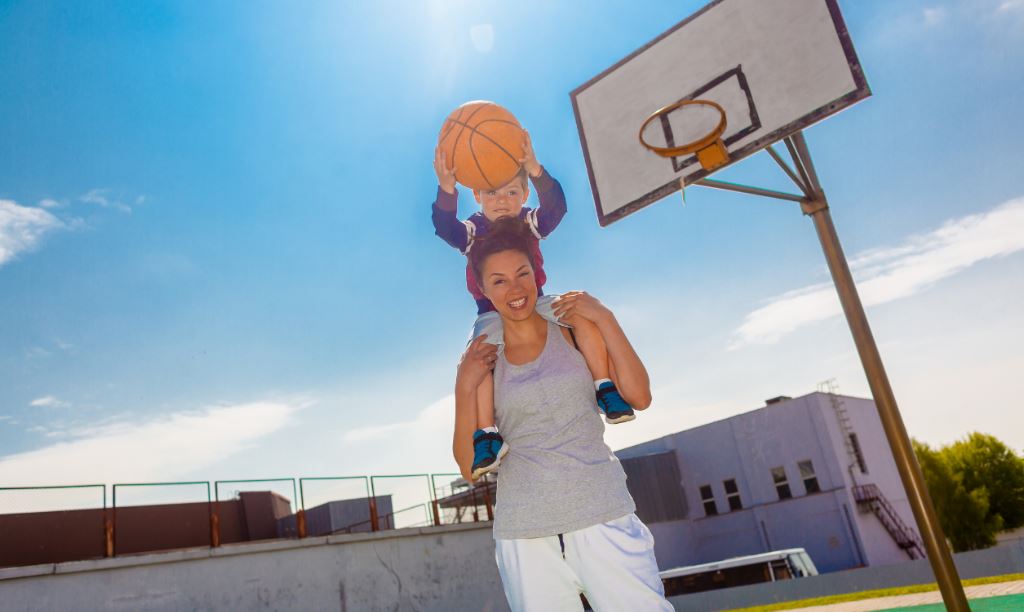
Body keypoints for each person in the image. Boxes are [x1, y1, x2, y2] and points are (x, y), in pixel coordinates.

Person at [453, 218, 673, 611]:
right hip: (525, 534)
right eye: (499, 281)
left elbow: (639, 396)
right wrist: (462, 385)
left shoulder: (573, 328)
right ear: (484, 290)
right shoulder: (483, 358)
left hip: (601, 511)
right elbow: (469, 468)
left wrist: (605, 316)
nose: (515, 288)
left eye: (522, 274)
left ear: (537, 274)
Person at [432, 131, 636, 481]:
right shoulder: (473, 231)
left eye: (512, 191)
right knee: (481, 356)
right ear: (477, 196)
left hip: (536, 300)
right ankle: (486, 435)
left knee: (578, 314)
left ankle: (604, 387)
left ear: (524, 195)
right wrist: (447, 189)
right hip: (490, 311)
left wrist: (535, 169)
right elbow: (444, 226)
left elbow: (556, 208)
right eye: (492, 193)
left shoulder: (528, 221)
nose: (502, 200)